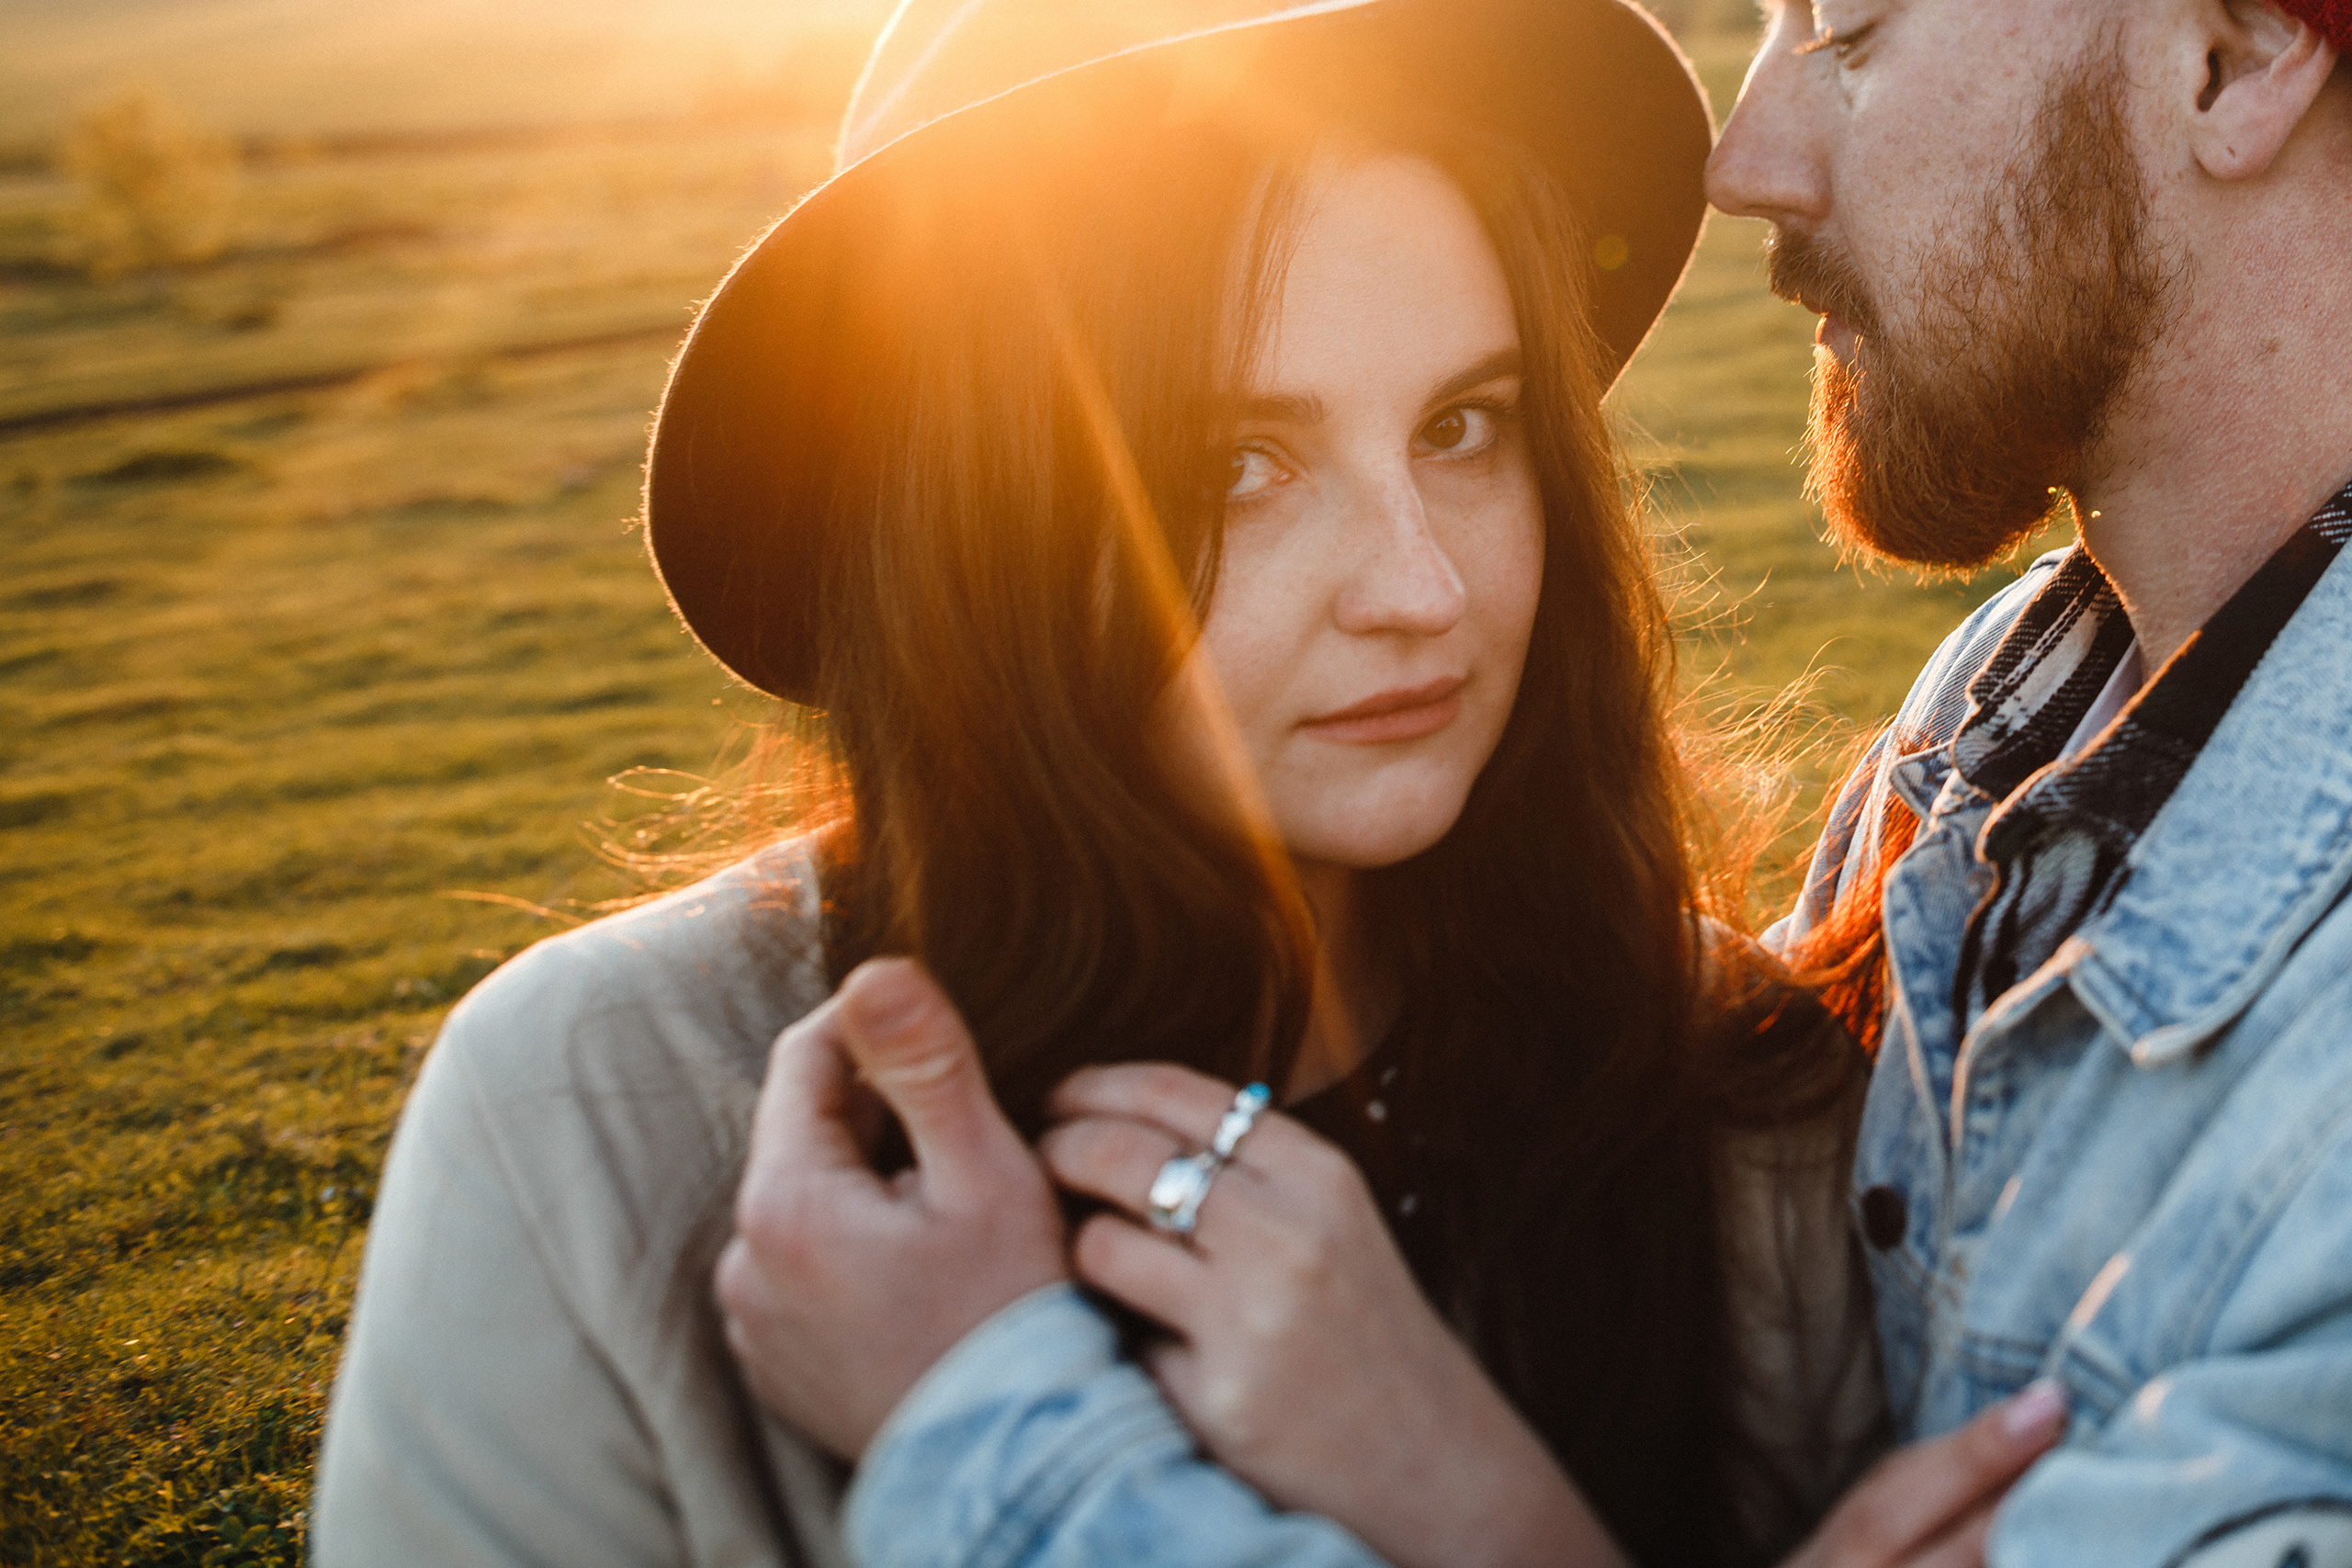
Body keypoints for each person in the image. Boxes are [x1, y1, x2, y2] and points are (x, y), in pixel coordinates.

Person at [310, 2, 1967, 1565]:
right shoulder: (600, 1121)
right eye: (1241, 466)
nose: (1420, 588)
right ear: (976, 526)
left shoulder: (1727, 1085)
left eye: (1466, 428)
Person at [718, 1, 2352, 1565]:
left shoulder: (1701, 1105)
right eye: (1237, 466)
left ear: (2236, 53)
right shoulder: (2003, 725)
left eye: (1851, 33)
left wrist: (1007, 1443)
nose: (1745, 159)